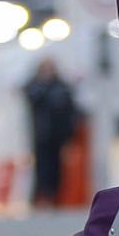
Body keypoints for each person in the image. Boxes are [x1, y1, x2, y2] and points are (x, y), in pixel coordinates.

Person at [22, 59, 78, 208]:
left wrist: (70, 134)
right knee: (41, 166)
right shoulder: (35, 86)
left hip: (58, 134)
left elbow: (70, 110)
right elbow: (31, 98)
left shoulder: (61, 87)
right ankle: (41, 196)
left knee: (57, 166)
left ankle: (54, 196)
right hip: (41, 134)